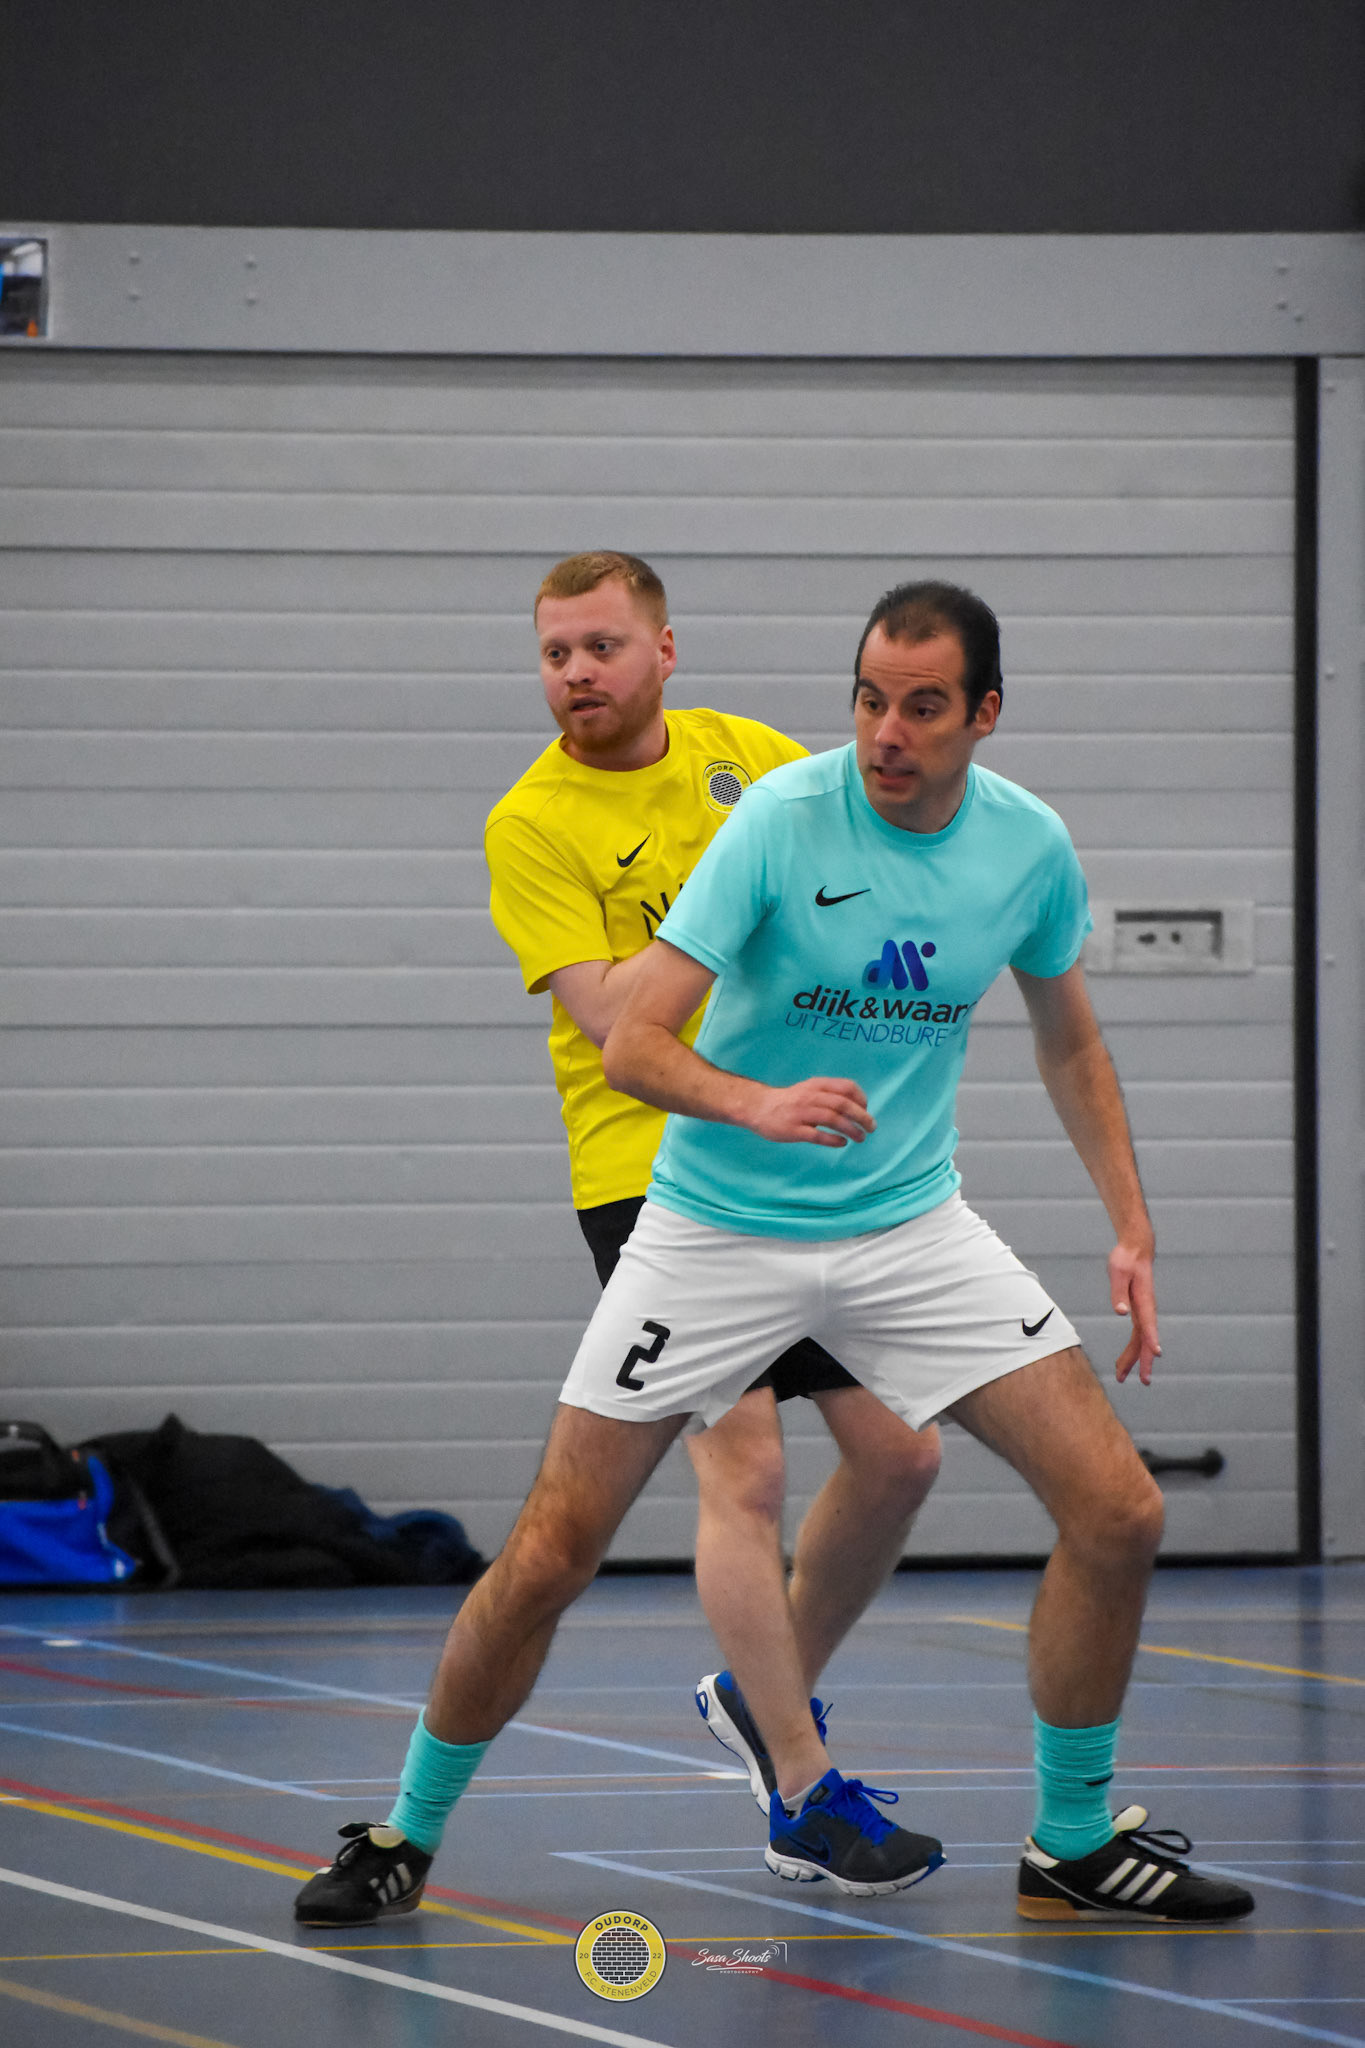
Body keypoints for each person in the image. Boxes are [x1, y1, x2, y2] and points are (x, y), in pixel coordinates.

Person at [295, 577, 1254, 1928]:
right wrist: (758, 1104)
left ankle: (1072, 1837)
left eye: (923, 707)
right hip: (713, 1230)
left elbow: (1071, 1036)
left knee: (1118, 1510)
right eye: (869, 700)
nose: (887, 734)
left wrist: (1132, 1223)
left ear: (984, 713)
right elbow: (634, 1043)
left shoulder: (1029, 847)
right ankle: (403, 1829)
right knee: (556, 1549)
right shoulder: (777, 820)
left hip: (909, 1227)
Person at [484, 550, 941, 1811]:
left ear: (665, 650)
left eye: (602, 646)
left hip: (788, 1156)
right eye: (555, 653)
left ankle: (761, 1687)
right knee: (747, 1472)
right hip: (652, 1173)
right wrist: (731, 926)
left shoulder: (748, 757)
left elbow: (862, 876)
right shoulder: (532, 823)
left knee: (901, 1456)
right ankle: (804, 1782)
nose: (577, 672)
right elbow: (614, 1021)